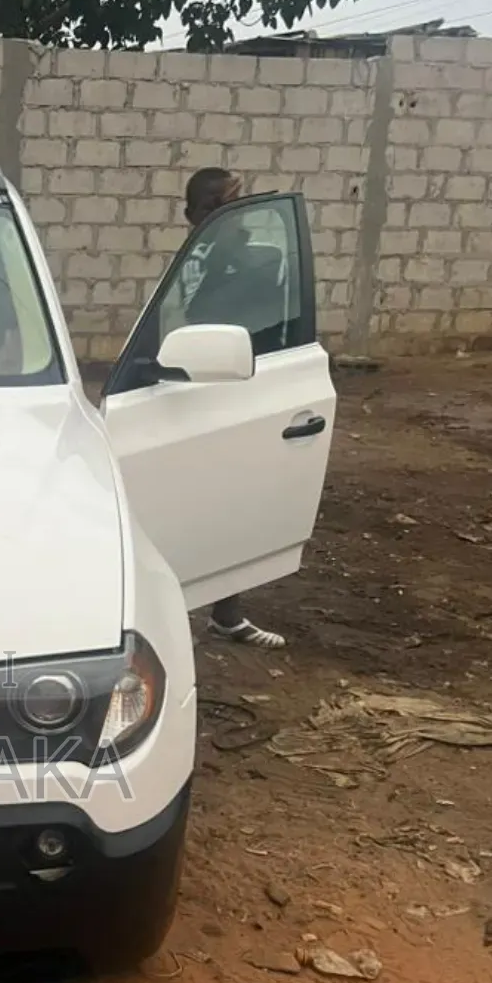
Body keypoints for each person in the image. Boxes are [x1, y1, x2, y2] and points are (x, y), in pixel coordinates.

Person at [182, 167, 287, 651]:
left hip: (238, 389)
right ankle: (199, 609)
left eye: (236, 203)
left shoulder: (250, 258)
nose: (233, 216)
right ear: (195, 216)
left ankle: (226, 612)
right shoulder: (199, 261)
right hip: (200, 392)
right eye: (219, 206)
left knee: (232, 501)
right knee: (204, 501)